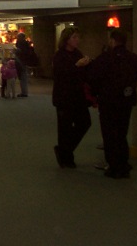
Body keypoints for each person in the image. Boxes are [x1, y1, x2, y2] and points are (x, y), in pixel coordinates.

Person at [89, 29, 137, 179]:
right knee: (122, 132)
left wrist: (96, 94)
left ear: (112, 41)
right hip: (126, 100)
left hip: (108, 101)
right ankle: (123, 164)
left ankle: (113, 166)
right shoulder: (133, 58)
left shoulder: (105, 58)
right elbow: (135, 77)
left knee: (110, 134)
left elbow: (93, 78)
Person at [52, 26, 92, 168]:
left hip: (77, 96)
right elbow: (61, 75)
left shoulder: (77, 53)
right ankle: (66, 157)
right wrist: (76, 66)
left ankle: (64, 150)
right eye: (74, 37)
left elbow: (82, 75)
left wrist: (86, 64)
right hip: (64, 97)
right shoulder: (59, 56)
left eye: (78, 37)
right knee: (65, 128)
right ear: (66, 40)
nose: (77, 40)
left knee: (85, 123)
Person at [14, 33, 31, 97]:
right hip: (22, 61)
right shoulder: (23, 43)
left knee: (23, 76)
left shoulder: (23, 44)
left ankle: (24, 92)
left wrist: (17, 51)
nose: (17, 38)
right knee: (22, 77)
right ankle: (24, 92)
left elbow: (24, 52)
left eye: (18, 37)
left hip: (22, 61)